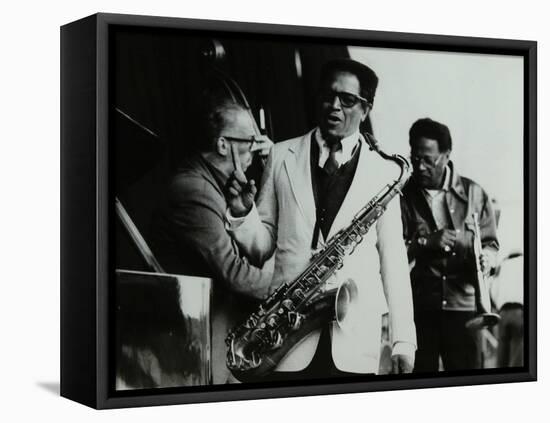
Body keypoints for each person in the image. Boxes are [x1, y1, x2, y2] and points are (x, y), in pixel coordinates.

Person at [226, 59, 416, 379]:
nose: (335, 106)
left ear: (365, 110)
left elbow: (394, 263)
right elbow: (262, 247)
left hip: (354, 340)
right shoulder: (280, 155)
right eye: (328, 96)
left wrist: (404, 342)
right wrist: (244, 213)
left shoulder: (385, 172)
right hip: (285, 339)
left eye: (348, 100)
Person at [151, 100, 273, 384]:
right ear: (222, 145)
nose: (257, 149)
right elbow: (234, 273)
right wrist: (288, 285)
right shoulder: (195, 190)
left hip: (215, 327)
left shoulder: (214, 182)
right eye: (250, 141)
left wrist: (241, 211)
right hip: (199, 340)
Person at [400, 117, 499, 372]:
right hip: (420, 309)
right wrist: (424, 242)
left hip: (465, 310)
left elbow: (491, 244)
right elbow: (392, 254)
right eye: (415, 158)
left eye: (428, 160)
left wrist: (488, 258)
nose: (420, 167)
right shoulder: (402, 195)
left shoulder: (475, 194)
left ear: (446, 155)